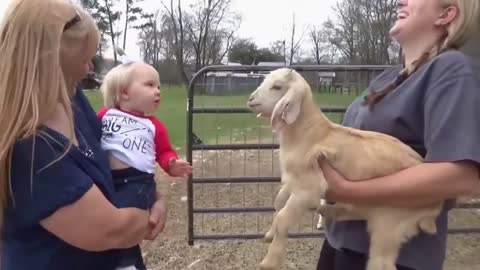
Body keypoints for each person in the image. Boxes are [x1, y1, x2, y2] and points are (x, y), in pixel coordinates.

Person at [0, 1, 166, 269]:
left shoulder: (71, 99)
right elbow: (112, 231)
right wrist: (148, 204)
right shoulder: (30, 148)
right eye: (84, 57)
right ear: (52, 62)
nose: (89, 67)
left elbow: (111, 159)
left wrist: (155, 196)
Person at [315, 0, 480, 270]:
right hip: (342, 241)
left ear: (446, 14)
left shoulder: (452, 70)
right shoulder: (386, 79)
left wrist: (348, 191)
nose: (399, 1)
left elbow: (460, 175)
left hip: (394, 254)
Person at [97, 55, 192, 269]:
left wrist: (171, 164)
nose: (158, 90)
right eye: (150, 85)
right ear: (124, 93)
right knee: (105, 220)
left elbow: (165, 151)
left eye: (158, 86)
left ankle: (125, 263)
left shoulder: (153, 126)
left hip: (138, 182)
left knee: (122, 222)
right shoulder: (105, 115)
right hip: (108, 180)